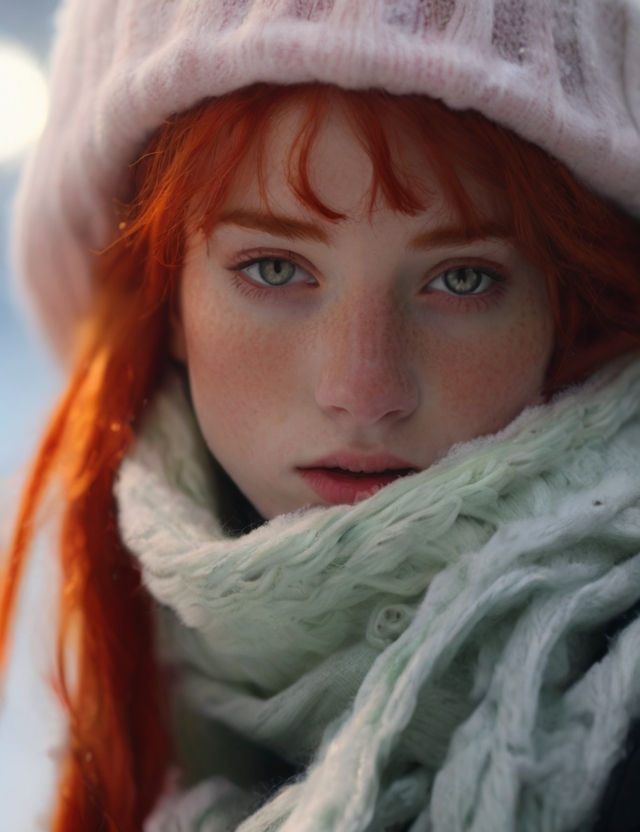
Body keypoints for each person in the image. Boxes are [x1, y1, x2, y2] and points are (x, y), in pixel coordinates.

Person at [2, 0, 640, 830]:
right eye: (274, 267)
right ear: (165, 297)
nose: (363, 390)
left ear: (573, 307)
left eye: (463, 278)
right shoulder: (149, 697)